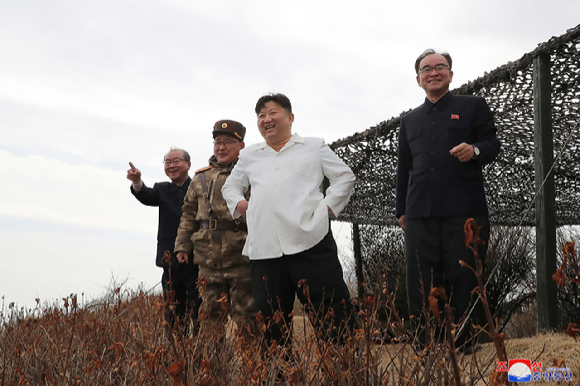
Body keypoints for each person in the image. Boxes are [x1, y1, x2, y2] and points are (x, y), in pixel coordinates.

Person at [222, 93, 355, 348]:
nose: (266, 119)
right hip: (264, 250)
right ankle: (278, 377)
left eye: (273, 113)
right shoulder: (250, 156)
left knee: (332, 315)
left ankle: (345, 371)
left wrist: (326, 208)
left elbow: (344, 177)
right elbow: (231, 187)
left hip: (311, 243)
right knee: (272, 324)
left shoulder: (313, 146)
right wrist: (241, 205)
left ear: (290, 117)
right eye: (261, 115)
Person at [395, 49, 501, 349]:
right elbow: (404, 169)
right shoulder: (409, 120)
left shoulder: (473, 107)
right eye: (426, 69)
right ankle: (424, 340)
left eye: (440, 67)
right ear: (418, 79)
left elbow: (492, 144)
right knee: (420, 276)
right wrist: (401, 210)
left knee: (464, 272)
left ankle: (464, 341)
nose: (433, 72)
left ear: (451, 74)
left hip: (464, 208)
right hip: (418, 212)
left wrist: (475, 150)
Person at [174, 120, 255, 336]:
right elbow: (188, 214)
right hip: (208, 261)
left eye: (228, 142)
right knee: (209, 320)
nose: (221, 147)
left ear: (242, 146)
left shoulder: (252, 174)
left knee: (248, 320)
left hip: (242, 260)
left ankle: (252, 367)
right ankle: (213, 368)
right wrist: (182, 246)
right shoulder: (200, 177)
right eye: (218, 142)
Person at [127, 148, 201, 335]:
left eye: (176, 161)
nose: (171, 166)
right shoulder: (162, 189)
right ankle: (176, 353)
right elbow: (146, 196)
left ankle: (202, 354)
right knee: (173, 312)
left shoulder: (199, 188)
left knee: (199, 311)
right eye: (167, 162)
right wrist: (137, 182)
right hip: (170, 262)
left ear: (188, 165)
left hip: (197, 260)